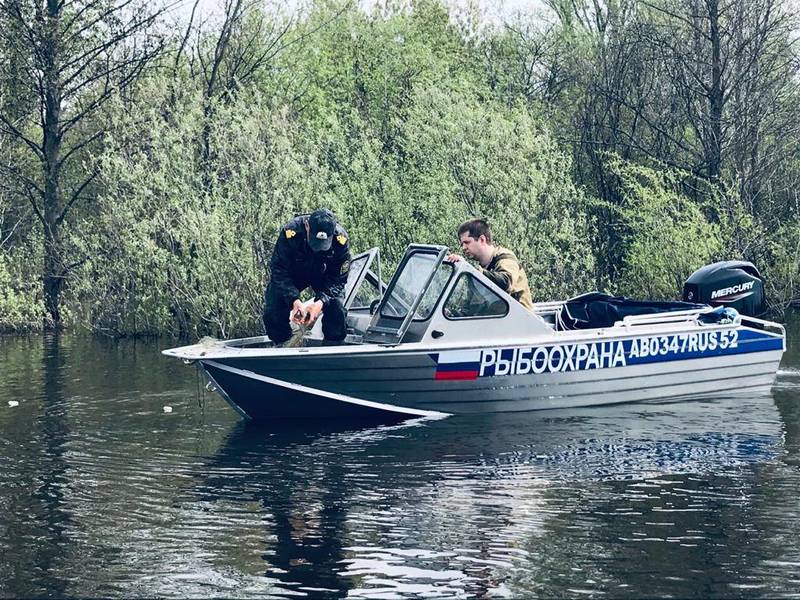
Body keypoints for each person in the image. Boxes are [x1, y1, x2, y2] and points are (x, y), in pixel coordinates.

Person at [263, 208, 351, 345]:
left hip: (324, 277)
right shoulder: (291, 233)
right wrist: (294, 300)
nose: (319, 248)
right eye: (315, 242)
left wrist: (320, 302)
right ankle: (282, 344)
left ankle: (333, 347)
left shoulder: (341, 240)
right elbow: (278, 270)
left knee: (337, 308)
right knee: (274, 307)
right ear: (307, 226)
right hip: (295, 274)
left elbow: (338, 279)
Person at [447, 218, 534, 310]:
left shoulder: (505, 257)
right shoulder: (480, 269)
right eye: (462, 244)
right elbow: (472, 304)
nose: (464, 248)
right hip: (498, 320)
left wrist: (471, 268)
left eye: (467, 242)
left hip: (518, 320)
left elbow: (506, 282)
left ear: (482, 239)